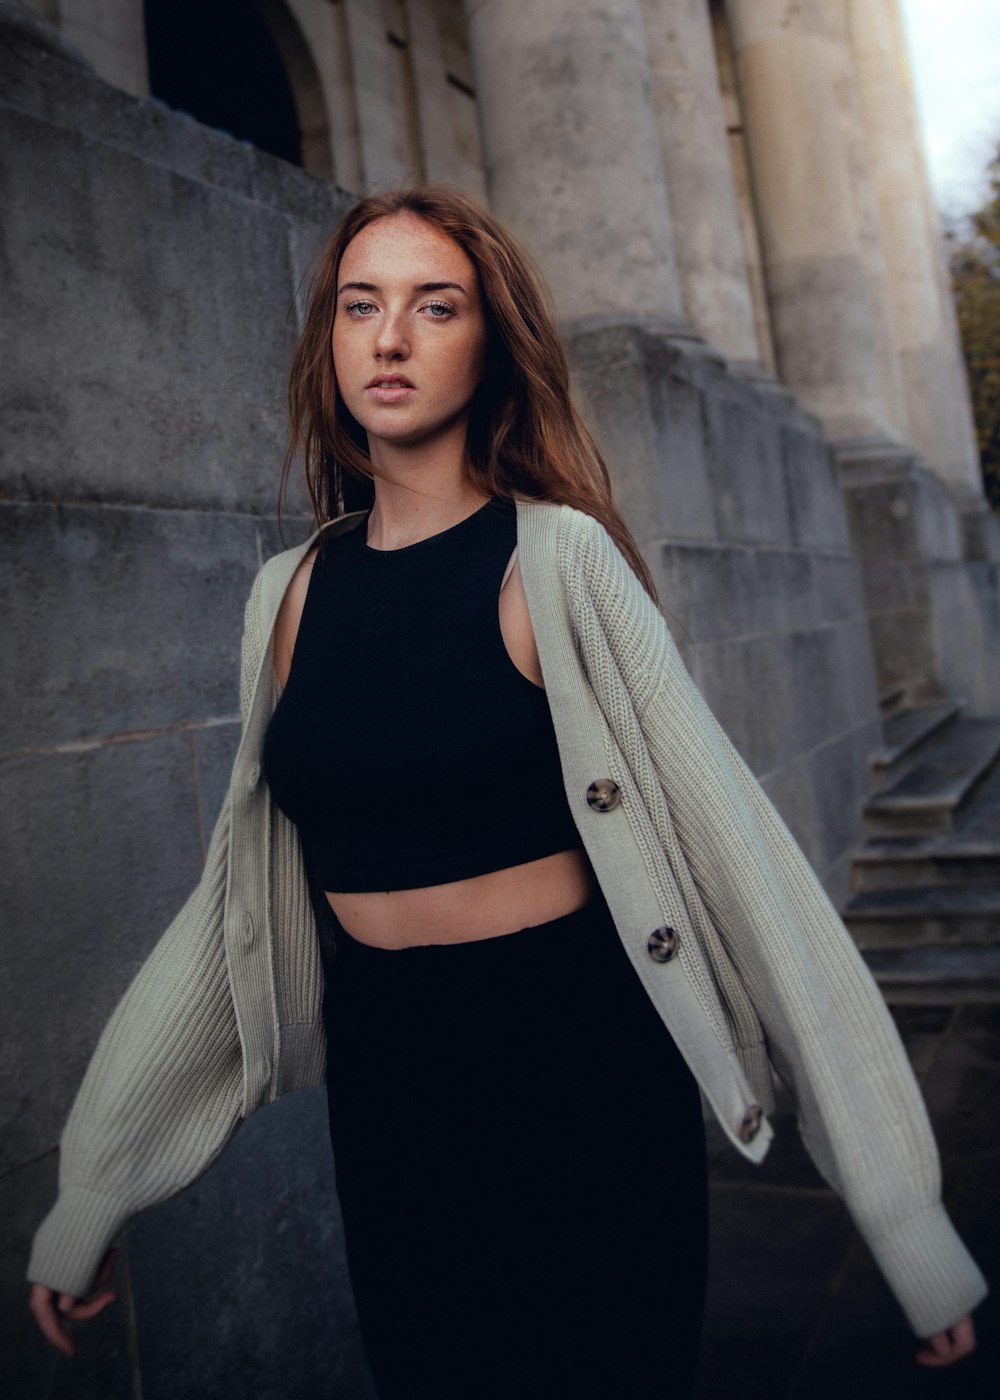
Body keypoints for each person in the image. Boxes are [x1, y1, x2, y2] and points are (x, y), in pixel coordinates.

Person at [28, 185, 985, 1396]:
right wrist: (100, 1181)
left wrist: (900, 1214)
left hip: (579, 1075)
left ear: (490, 345)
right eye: (360, 305)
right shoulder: (287, 595)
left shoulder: (560, 559)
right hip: (389, 1092)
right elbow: (238, 910)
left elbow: (745, 865)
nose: (390, 337)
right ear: (327, 340)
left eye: (435, 306)